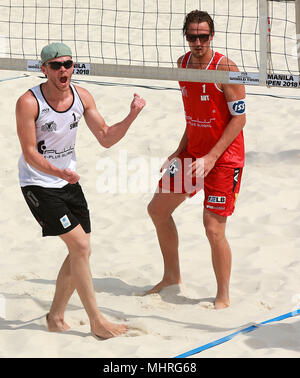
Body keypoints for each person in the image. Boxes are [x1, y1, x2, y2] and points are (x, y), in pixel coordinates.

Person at [16, 42, 145, 338]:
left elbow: (106, 137)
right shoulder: (28, 102)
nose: (64, 70)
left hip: (68, 180)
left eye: (68, 64)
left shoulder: (82, 96)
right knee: (81, 247)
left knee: (80, 250)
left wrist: (132, 114)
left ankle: (56, 316)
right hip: (38, 183)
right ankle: (97, 321)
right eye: (57, 65)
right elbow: (30, 152)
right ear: (44, 69)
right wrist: (57, 170)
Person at [146, 10, 246, 309]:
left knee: (213, 228)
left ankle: (223, 295)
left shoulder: (226, 67)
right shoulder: (183, 65)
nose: (198, 42)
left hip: (224, 157)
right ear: (186, 37)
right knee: (157, 210)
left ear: (212, 36)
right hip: (192, 152)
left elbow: (239, 119)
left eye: (203, 36)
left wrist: (212, 157)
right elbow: (194, 116)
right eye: (193, 36)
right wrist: (179, 151)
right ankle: (171, 276)